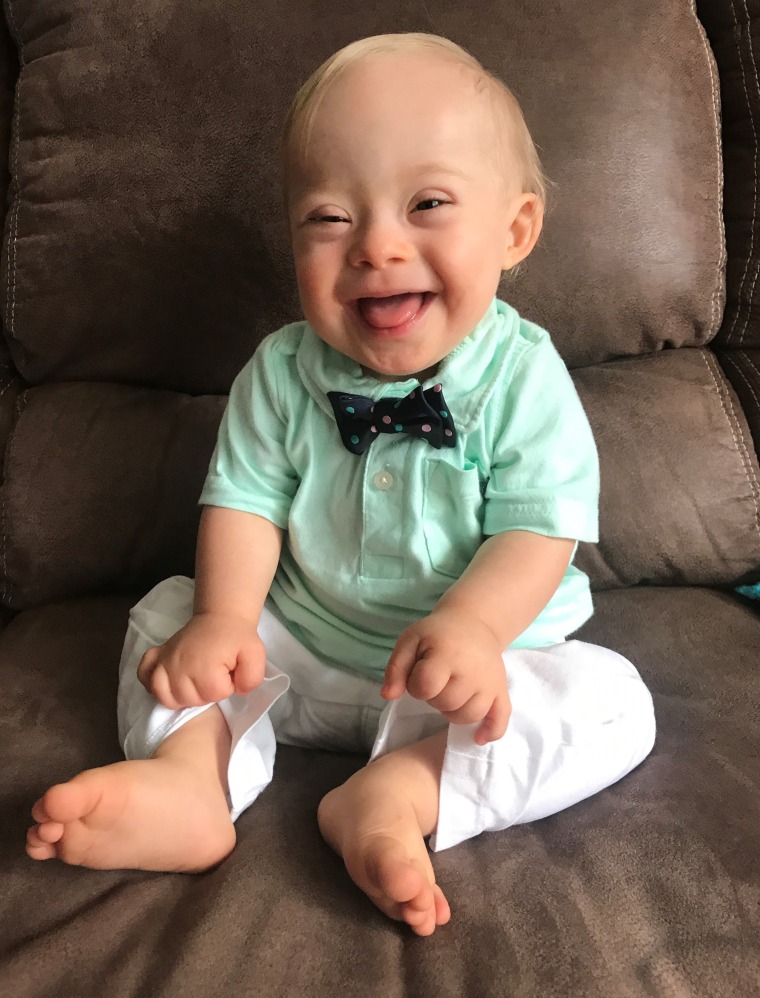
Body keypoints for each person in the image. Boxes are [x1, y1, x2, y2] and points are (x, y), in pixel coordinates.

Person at [25, 32, 655, 937]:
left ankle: (401, 793)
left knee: (616, 703)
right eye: (329, 218)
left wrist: (475, 631)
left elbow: (538, 528)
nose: (376, 246)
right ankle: (189, 779)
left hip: (465, 683)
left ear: (514, 230)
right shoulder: (280, 373)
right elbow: (242, 505)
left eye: (427, 203)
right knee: (167, 614)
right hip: (298, 655)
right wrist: (225, 625)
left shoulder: (524, 377)